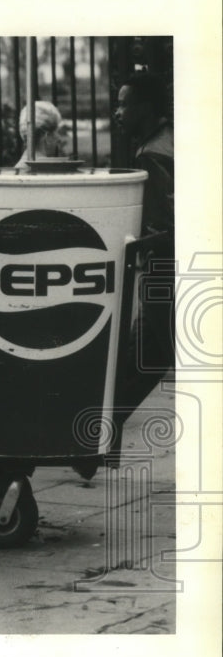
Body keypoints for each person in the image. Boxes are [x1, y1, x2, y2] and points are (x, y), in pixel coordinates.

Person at [113, 71, 175, 417]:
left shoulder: (153, 153)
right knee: (147, 358)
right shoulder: (166, 141)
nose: (117, 112)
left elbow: (163, 224)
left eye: (124, 104)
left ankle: (92, 443)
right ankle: (93, 444)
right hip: (169, 268)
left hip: (163, 270)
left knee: (146, 357)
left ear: (146, 107)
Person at [13, 100, 68, 170]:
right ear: (46, 135)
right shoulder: (47, 170)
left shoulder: (19, 166)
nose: (59, 138)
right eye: (57, 132)